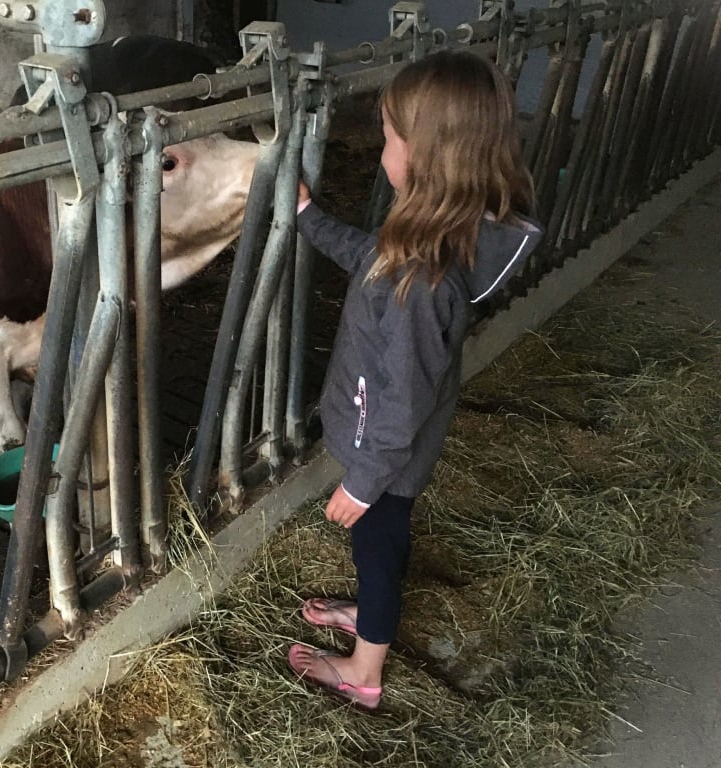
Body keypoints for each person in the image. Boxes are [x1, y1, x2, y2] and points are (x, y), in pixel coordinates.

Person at [287, 49, 543, 710]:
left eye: (388, 138)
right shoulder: (429, 238)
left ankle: (364, 672)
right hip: (387, 449)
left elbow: (402, 403)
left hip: (387, 458)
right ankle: (369, 614)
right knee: (379, 545)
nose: (380, 151)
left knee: (377, 547)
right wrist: (310, 219)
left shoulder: (422, 282)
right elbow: (367, 254)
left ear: (426, 158)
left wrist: (364, 481)